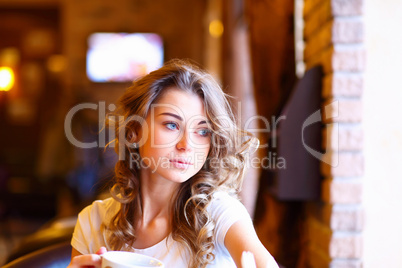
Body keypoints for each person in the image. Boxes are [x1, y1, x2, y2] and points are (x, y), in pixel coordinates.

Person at [67, 59, 279, 268]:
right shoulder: (93, 221)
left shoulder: (220, 213)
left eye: (203, 131)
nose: (186, 145)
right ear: (134, 131)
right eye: (171, 125)